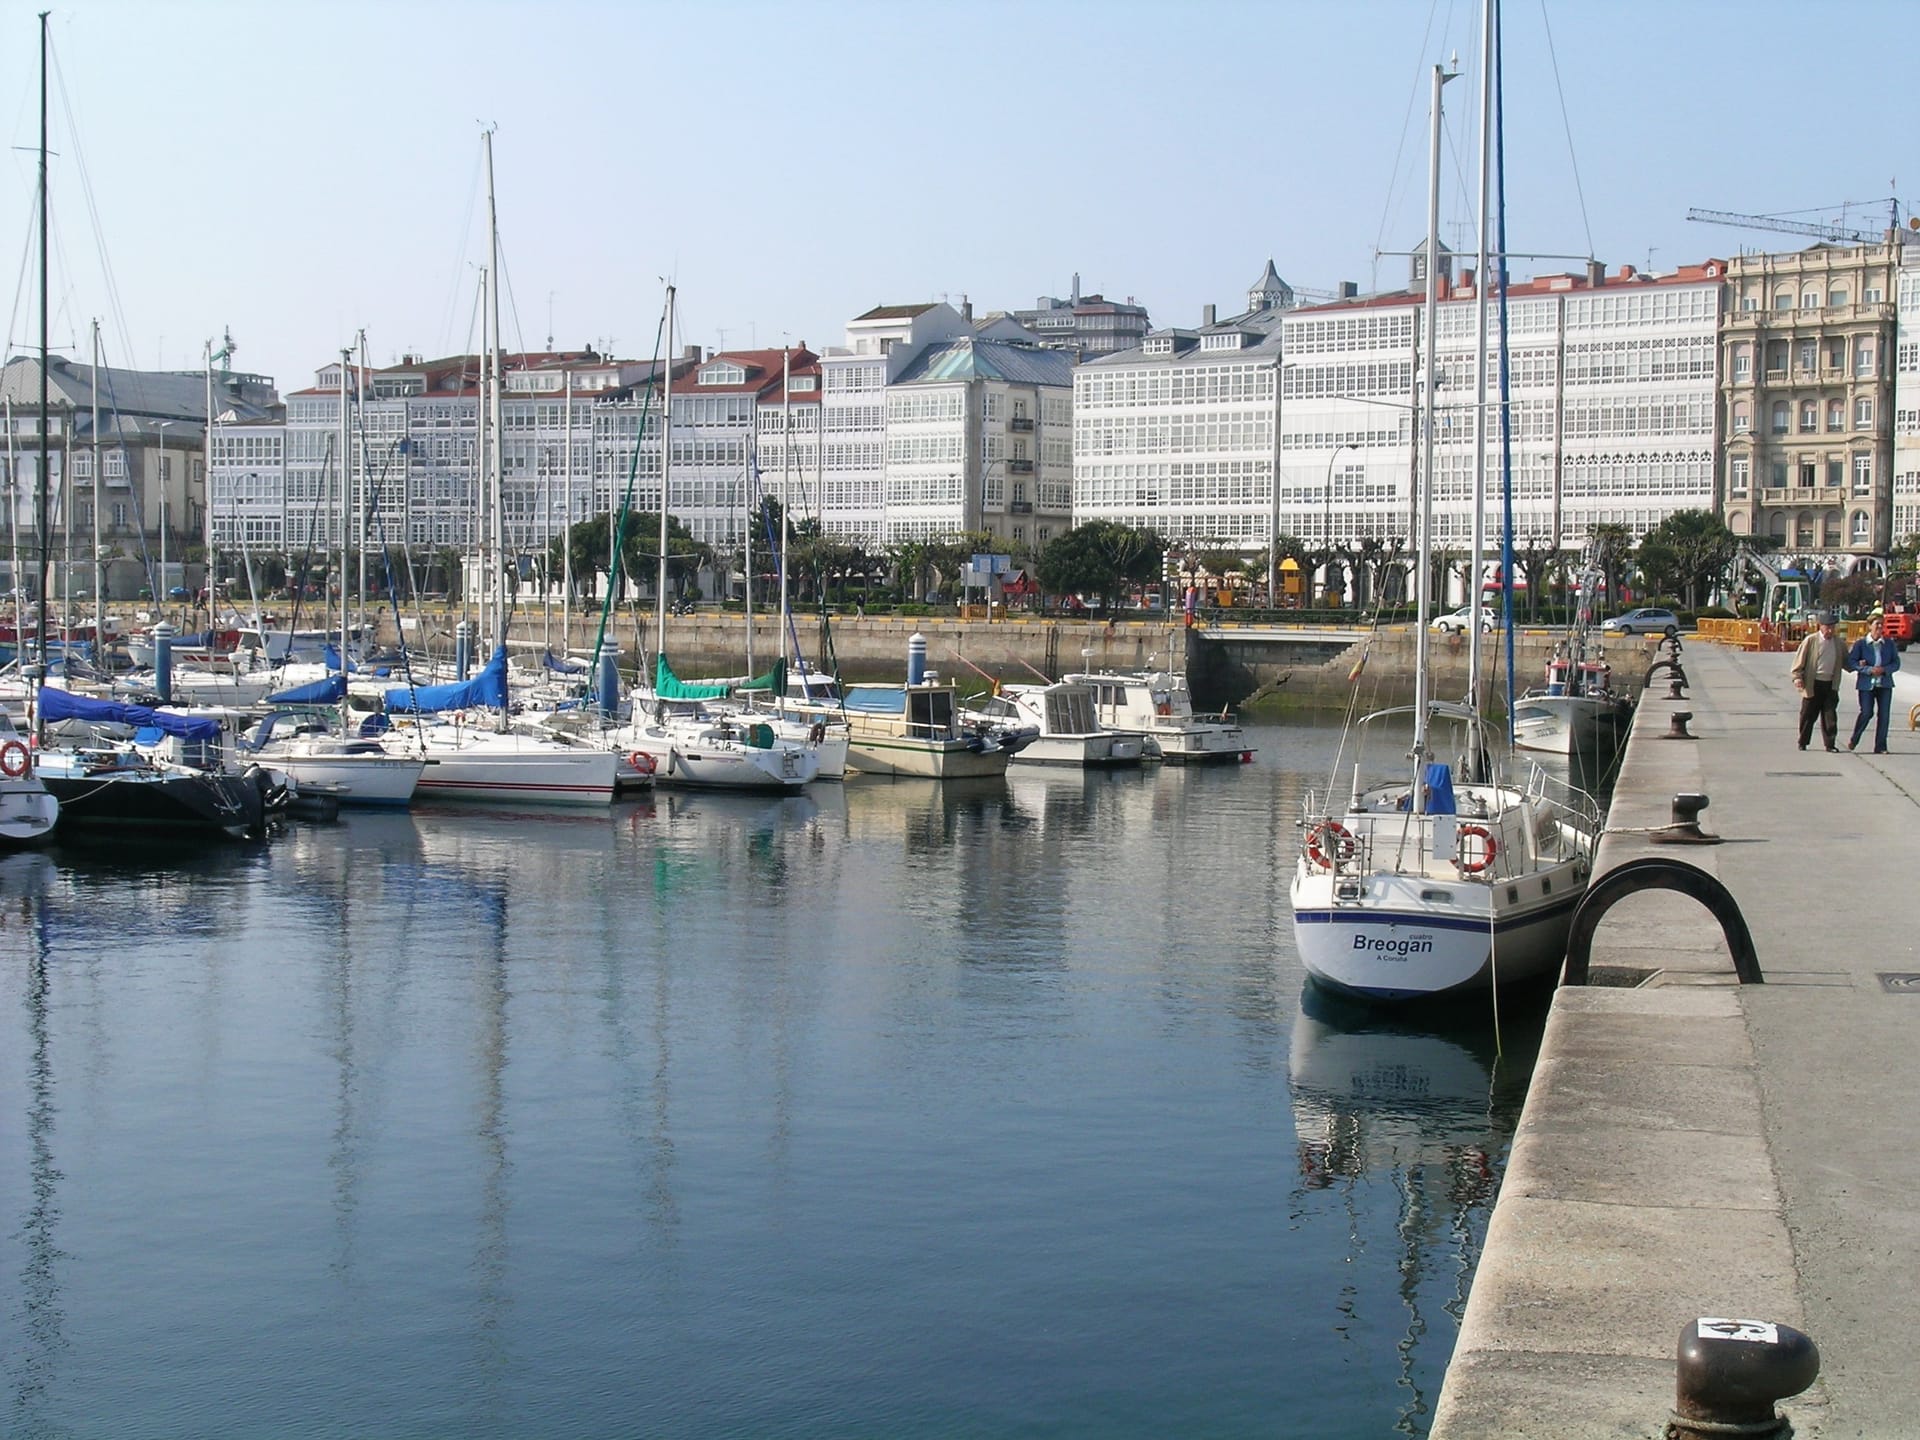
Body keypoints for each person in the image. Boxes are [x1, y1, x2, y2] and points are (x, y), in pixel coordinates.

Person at [1845, 613, 1901, 753]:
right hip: (1866, 685)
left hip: (1884, 684)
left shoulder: (1889, 644)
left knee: (1884, 715)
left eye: (1882, 624)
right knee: (1866, 712)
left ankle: (1880, 746)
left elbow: (1896, 663)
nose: (1880, 627)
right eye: (1877, 624)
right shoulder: (1861, 644)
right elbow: (1851, 662)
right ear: (1869, 626)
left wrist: (1884, 670)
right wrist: (1867, 669)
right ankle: (1855, 738)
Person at [1790, 612, 1845, 751]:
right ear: (1820, 626)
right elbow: (1799, 662)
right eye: (1827, 627)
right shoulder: (1811, 640)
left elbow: (1846, 661)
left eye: (1833, 627)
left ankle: (1830, 744)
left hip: (1830, 684)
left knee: (1830, 716)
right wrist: (1797, 677)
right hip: (1813, 684)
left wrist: (1860, 665)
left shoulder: (1838, 643)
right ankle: (1803, 741)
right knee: (1807, 716)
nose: (1830, 631)